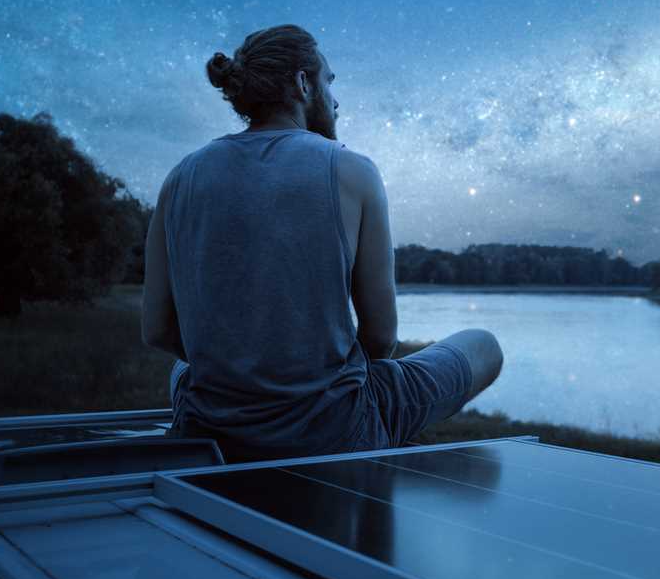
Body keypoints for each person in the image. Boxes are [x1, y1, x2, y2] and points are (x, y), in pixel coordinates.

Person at [141, 23, 502, 461]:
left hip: (210, 426)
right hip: (336, 430)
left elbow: (158, 330)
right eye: (329, 81)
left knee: (184, 367)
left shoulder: (179, 177)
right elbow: (381, 338)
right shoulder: (353, 171)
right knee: (484, 345)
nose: (335, 99)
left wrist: (241, 373)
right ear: (302, 83)